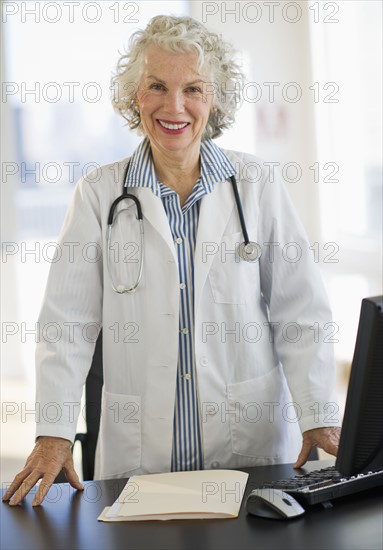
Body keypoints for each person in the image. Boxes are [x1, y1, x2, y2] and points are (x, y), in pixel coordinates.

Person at [3, 15, 341, 507]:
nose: (174, 106)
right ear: (133, 96)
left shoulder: (257, 185)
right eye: (157, 85)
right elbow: (67, 324)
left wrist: (317, 411)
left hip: (249, 449)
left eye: (194, 89)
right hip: (141, 460)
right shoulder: (99, 195)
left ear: (215, 99)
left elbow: (300, 311)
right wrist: (52, 431)